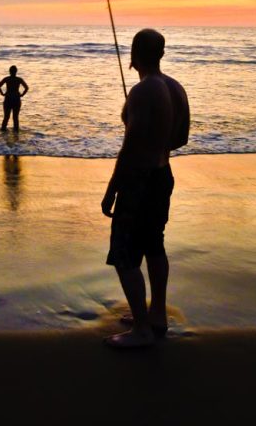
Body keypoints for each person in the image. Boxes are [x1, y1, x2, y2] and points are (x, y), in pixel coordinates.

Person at [101, 28, 190, 348]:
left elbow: (129, 147)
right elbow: (181, 139)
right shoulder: (175, 88)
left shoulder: (142, 91)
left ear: (134, 54)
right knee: (154, 245)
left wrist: (113, 187)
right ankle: (156, 316)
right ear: (162, 53)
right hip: (162, 175)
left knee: (125, 255)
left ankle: (141, 330)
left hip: (138, 180)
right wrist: (157, 143)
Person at [0, 65, 29, 131]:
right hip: (16, 99)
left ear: (9, 71)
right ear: (16, 71)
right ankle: (16, 133)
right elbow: (26, 88)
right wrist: (22, 94)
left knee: (6, 117)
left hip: (8, 98)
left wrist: (2, 93)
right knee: (15, 117)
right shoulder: (19, 79)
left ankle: (3, 131)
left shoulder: (7, 79)